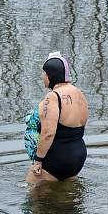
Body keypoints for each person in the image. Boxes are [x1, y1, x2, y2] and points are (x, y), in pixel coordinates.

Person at [26, 52, 89, 184]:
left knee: (31, 196)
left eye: (44, 73)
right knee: (68, 198)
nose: (42, 77)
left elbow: (48, 134)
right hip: (78, 156)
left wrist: (38, 161)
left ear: (50, 75)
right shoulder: (79, 94)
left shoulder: (52, 97)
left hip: (57, 157)